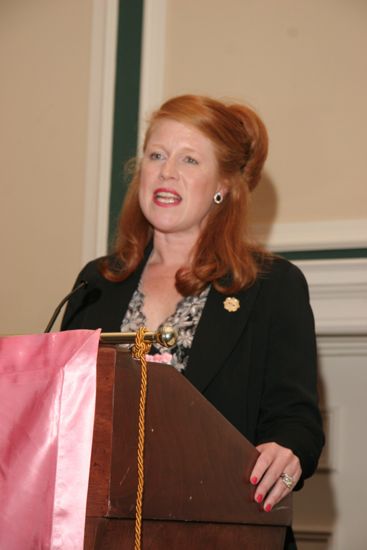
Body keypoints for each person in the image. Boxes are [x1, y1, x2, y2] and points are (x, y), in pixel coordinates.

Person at [61, 94, 324, 548]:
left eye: (189, 160)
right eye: (157, 155)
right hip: (105, 532)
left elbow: (295, 420)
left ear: (223, 185)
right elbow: (65, 412)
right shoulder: (97, 282)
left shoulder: (271, 286)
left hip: (223, 530)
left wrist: (288, 451)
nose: (166, 172)